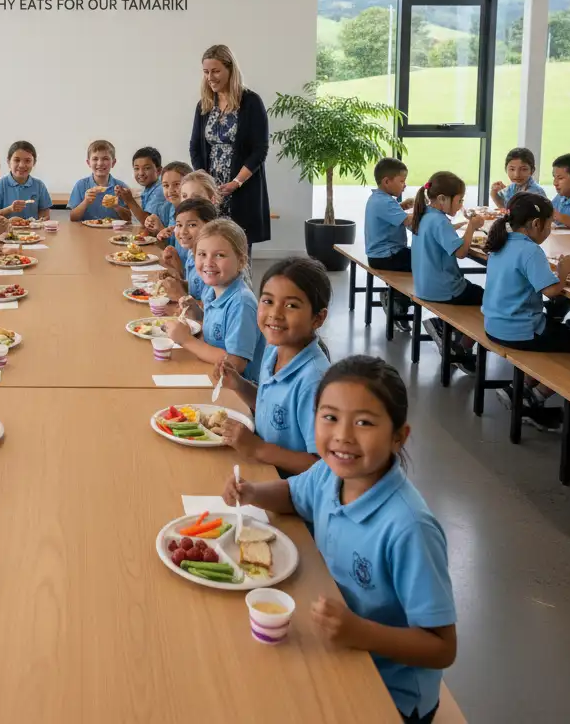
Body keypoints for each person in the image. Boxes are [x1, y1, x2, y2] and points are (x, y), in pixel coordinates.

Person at [224, 356, 456, 724]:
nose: (343, 435)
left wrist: (359, 632)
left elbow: (442, 648)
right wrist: (252, 492)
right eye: (329, 417)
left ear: (399, 436)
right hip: (334, 639)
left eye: (364, 422)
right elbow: (292, 495)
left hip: (390, 690)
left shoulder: (409, 528)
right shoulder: (329, 475)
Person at [210, 257, 330, 477]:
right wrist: (239, 385)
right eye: (267, 301)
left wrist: (257, 447)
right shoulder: (275, 349)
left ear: (318, 318)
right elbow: (271, 407)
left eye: (291, 305)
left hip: (293, 494)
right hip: (261, 469)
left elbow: (323, 467)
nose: (275, 313)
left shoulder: (314, 380)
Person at [484, 193, 570, 430]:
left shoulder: (501, 241)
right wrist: (563, 271)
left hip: (495, 324)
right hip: (521, 331)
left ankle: (521, 390)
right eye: (550, 224)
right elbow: (552, 291)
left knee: (567, 331)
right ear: (536, 224)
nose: (550, 228)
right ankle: (536, 397)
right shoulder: (530, 251)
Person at [189, 44, 271, 251]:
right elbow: (195, 147)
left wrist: (236, 182)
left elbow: (259, 150)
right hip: (212, 192)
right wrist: (204, 182)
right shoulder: (205, 104)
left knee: (239, 252)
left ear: (230, 70)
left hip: (242, 189)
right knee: (211, 250)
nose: (210, 77)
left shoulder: (251, 102)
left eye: (216, 71)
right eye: (206, 72)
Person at [164, 219, 264, 382]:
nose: (208, 263)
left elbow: (236, 364)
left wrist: (186, 340)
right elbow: (219, 334)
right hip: (212, 375)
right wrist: (197, 314)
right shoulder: (212, 291)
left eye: (219, 255)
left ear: (241, 261)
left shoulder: (241, 303)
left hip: (237, 394)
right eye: (202, 254)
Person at [410, 172, 484, 372]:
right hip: (445, 289)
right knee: (491, 301)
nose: (461, 205)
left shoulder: (425, 214)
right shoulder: (440, 222)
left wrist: (456, 226)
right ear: (442, 199)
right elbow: (461, 252)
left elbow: (440, 233)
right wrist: (471, 226)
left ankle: (453, 339)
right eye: (459, 200)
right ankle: (459, 348)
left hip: (423, 285)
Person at [365, 157, 414, 331]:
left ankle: (397, 300)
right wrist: (428, 212)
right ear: (387, 181)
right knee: (423, 261)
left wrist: (400, 206)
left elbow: (391, 216)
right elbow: (409, 222)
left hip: (380, 255)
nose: (404, 185)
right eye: (401, 181)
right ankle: (397, 305)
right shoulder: (384, 202)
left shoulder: (379, 199)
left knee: (415, 258)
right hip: (387, 256)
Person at [159, 198, 218, 303]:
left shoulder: (212, 264)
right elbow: (195, 290)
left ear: (210, 225)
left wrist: (180, 296)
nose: (183, 231)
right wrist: (178, 282)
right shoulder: (192, 254)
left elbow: (209, 312)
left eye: (192, 225)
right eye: (179, 225)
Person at [68, 140, 131, 222]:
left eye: (105, 159)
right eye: (95, 159)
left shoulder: (121, 187)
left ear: (113, 162)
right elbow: (73, 218)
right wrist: (85, 202)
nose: (100, 163)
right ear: (88, 163)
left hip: (113, 232)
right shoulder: (80, 185)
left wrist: (116, 206)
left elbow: (128, 218)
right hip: (86, 232)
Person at [0, 141, 52, 219]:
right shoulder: (0, 185)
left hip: (33, 230)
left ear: (34, 162)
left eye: (27, 161)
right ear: (8, 161)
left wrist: (41, 221)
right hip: (7, 230)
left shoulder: (39, 185)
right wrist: (9, 209)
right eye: (17, 160)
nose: (21, 165)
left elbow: (44, 213)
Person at [115, 147, 164, 227]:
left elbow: (148, 224)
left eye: (147, 168)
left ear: (158, 171)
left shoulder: (160, 190)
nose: (141, 173)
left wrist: (129, 200)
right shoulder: (148, 188)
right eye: (136, 168)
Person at [144, 162, 193, 238]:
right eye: (166, 185)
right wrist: (151, 225)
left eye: (177, 184)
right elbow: (163, 244)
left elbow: (182, 246)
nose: (170, 190)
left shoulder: (193, 213)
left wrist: (161, 229)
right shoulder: (167, 208)